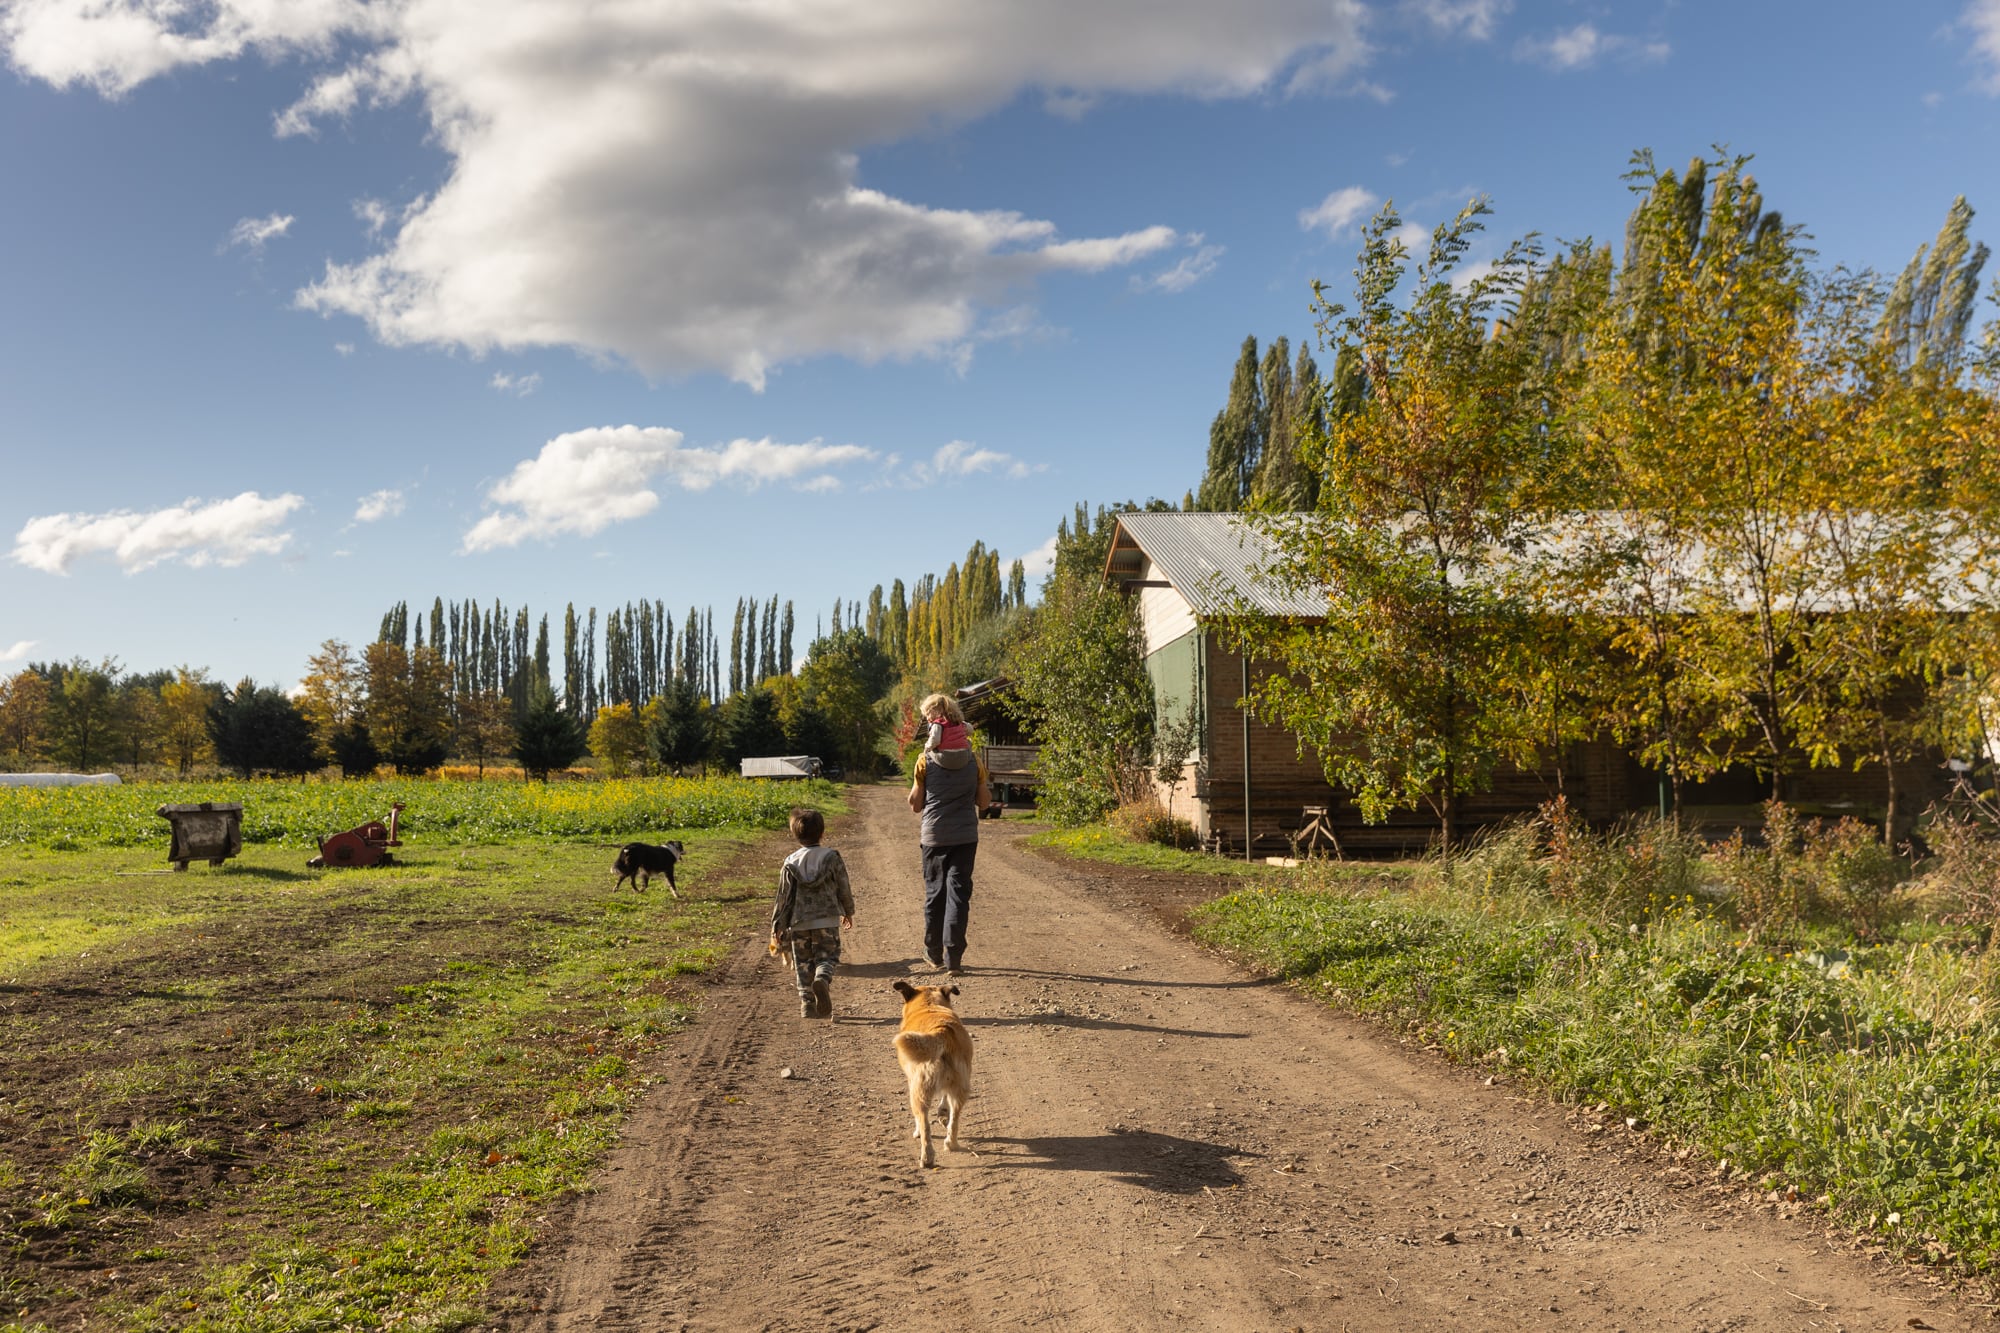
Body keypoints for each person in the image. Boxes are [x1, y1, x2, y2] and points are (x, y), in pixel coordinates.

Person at [908, 720, 990, 973]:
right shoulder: (974, 761)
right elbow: (984, 802)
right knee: (958, 894)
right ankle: (954, 957)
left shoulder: (925, 761)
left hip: (934, 837)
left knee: (935, 893)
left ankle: (933, 953)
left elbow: (916, 804)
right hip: (965, 837)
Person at [770, 807, 854, 1018]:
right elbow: (843, 885)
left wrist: (778, 924)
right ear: (822, 833)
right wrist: (848, 911)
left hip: (799, 922)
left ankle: (807, 1003)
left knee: (802, 963)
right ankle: (823, 978)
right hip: (826, 919)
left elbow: (783, 896)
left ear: (795, 835)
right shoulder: (831, 857)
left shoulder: (790, 862)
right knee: (828, 956)